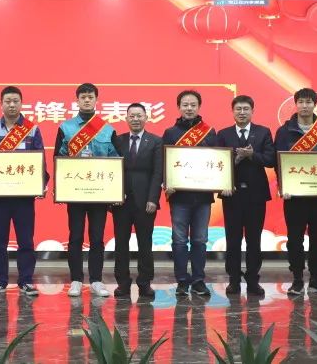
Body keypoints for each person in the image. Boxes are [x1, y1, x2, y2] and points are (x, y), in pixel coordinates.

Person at [0, 86, 49, 297]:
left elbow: (40, 160)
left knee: (26, 241)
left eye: (15, 101)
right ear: (1, 104)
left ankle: (26, 281)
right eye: (8, 101)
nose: (12, 105)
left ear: (21, 103)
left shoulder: (32, 130)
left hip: (23, 197)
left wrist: (41, 183)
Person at [54, 83, 119, 298]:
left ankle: (96, 280)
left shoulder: (108, 129)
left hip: (99, 193)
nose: (87, 100)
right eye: (83, 97)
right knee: (75, 237)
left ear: (96, 100)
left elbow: (115, 160)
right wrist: (60, 189)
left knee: (97, 238)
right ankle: (75, 280)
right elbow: (59, 158)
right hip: (75, 192)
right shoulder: (66, 128)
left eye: (90, 97)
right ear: (77, 100)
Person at [274, 88, 317, 296]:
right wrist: (283, 186)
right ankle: (297, 279)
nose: (304, 106)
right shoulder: (284, 131)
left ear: (315, 105)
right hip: (294, 197)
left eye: (308, 102)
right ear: (296, 104)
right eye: (301, 102)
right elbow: (278, 162)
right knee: (295, 240)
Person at [217, 95, 275, 297]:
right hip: (231, 194)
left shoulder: (263, 132)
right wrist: (236, 159)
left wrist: (252, 155)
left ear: (252, 111)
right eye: (238, 109)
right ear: (232, 112)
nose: (242, 112)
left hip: (256, 195)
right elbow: (218, 163)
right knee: (232, 240)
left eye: (246, 109)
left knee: (254, 240)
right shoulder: (223, 134)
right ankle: (233, 280)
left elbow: (270, 159)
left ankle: (253, 281)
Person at [162, 89, 218, 297]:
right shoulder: (170, 133)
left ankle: (198, 280)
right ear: (179, 107)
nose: (189, 108)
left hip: (203, 196)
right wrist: (166, 183)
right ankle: (182, 281)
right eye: (185, 105)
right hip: (179, 196)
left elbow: (217, 162)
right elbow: (164, 162)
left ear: (199, 107)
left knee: (200, 240)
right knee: (179, 240)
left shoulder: (209, 132)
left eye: (193, 105)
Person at [111, 103, 161, 299]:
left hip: (146, 201)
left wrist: (153, 198)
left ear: (146, 118)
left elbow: (158, 172)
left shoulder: (155, 141)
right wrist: (114, 195)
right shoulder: (118, 140)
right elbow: (112, 169)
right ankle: (122, 283)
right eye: (132, 116)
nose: (136, 119)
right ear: (126, 119)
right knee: (121, 244)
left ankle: (145, 283)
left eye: (139, 115)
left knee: (145, 244)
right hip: (121, 202)